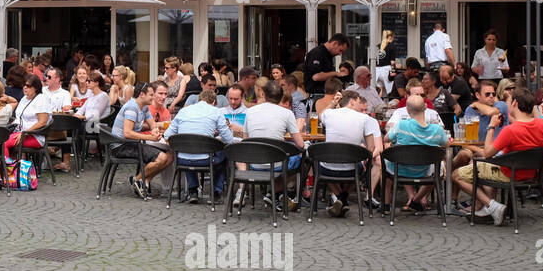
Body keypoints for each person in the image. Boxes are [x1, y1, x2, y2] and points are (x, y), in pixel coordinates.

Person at [452, 88, 543, 226]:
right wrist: (539, 169)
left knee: (456, 175)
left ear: (514, 103)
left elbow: (487, 153)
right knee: (480, 167)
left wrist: (491, 127)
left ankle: (492, 206)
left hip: (508, 173)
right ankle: (487, 208)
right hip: (531, 174)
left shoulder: (511, 130)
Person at [242, 79, 306, 210]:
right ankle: (276, 193)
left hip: (254, 163)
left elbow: (245, 141)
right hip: (276, 164)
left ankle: (274, 194)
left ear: (263, 94)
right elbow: (300, 144)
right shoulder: (287, 113)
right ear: (281, 96)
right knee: (300, 159)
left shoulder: (250, 112)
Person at [163, 87, 235, 204]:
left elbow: (167, 135)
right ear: (213, 103)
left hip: (182, 160)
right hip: (206, 160)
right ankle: (216, 192)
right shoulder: (215, 111)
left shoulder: (183, 111)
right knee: (224, 154)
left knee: (189, 149)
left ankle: (193, 191)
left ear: (198, 100)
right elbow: (229, 139)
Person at [318, 90, 381, 217]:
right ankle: (343, 198)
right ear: (352, 102)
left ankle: (340, 199)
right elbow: (371, 148)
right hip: (351, 170)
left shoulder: (330, 114)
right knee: (361, 167)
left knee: (319, 163)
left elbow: (321, 115)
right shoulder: (365, 119)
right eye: (358, 102)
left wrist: (332, 103)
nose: (360, 105)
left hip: (327, 169)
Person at [384, 95, 448, 213]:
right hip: (424, 171)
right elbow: (446, 144)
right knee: (438, 167)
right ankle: (416, 200)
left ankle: (386, 205)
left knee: (384, 163)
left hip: (400, 170)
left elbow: (386, 139)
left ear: (407, 110)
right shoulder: (437, 130)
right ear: (425, 107)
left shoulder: (401, 125)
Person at [111, 82, 172, 199]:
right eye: (151, 94)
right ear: (142, 95)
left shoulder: (143, 106)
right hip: (121, 146)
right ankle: (137, 179)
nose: (153, 97)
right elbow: (127, 133)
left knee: (169, 156)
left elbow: (152, 124)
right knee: (162, 157)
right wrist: (151, 137)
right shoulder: (132, 107)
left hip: (131, 144)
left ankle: (143, 181)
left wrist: (155, 131)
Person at [5, 74, 51, 164]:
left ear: (36, 88)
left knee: (4, 143)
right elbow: (19, 117)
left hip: (35, 135)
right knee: (0, 138)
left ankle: (8, 170)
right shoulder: (24, 98)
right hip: (20, 132)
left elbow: (43, 122)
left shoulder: (41, 99)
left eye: (28, 86)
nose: (25, 88)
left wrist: (25, 133)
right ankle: (12, 168)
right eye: (24, 85)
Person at [375, 30, 395, 94]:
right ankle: (387, 103)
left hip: (377, 71)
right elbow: (392, 62)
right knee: (389, 91)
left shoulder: (378, 46)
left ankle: (378, 103)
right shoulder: (392, 46)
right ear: (390, 37)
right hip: (386, 70)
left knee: (380, 90)